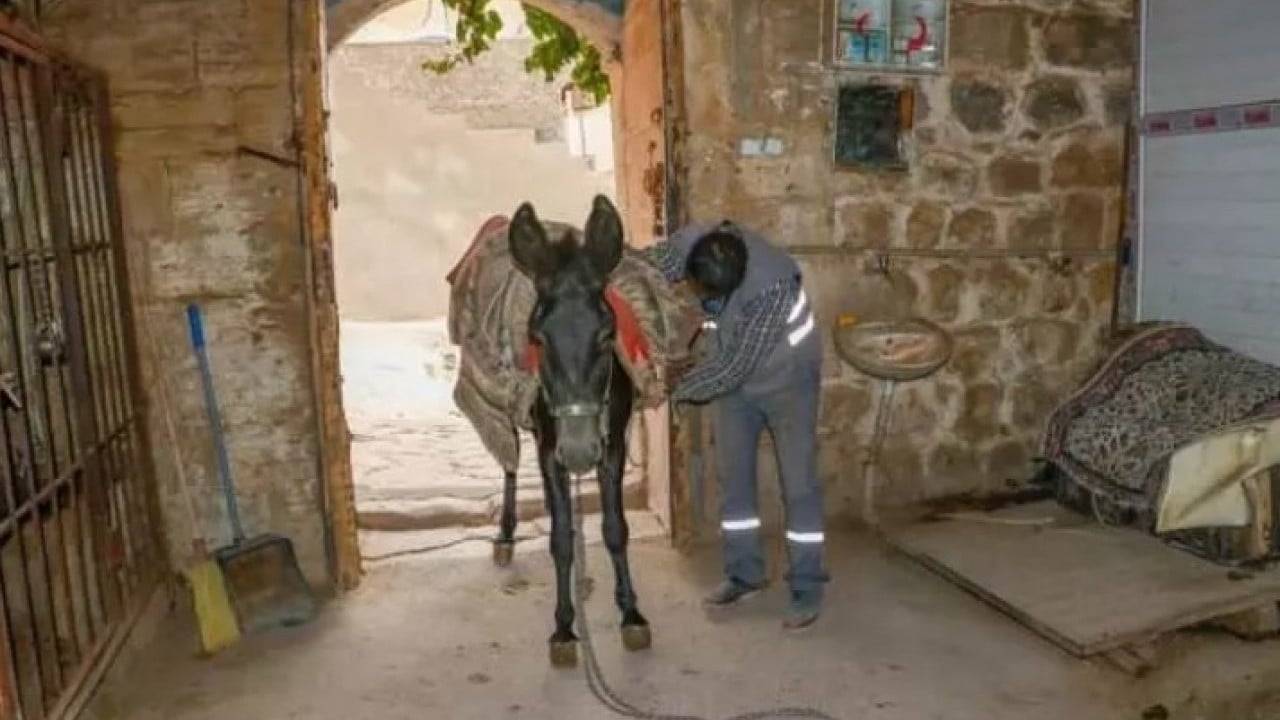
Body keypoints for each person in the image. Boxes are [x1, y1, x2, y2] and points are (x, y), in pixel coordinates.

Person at [642, 219, 828, 631]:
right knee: (733, 478)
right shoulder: (691, 245)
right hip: (735, 377)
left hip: (789, 379)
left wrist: (670, 390)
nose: (705, 301)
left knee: (798, 484)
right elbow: (646, 266)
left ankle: (807, 585)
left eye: (714, 297)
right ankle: (745, 574)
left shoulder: (771, 286)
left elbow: (731, 370)